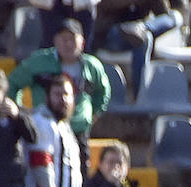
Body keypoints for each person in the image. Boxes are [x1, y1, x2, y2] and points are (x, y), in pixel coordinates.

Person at [6, 19, 112, 173]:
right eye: (63, 39)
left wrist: (92, 116)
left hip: (78, 130)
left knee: (78, 175)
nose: (68, 44)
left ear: (82, 42)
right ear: (55, 41)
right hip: (44, 129)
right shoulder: (39, 62)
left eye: (72, 39)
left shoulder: (91, 66)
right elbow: (13, 83)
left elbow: (103, 93)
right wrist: (20, 113)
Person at [24, 73, 83, 187]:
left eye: (67, 95)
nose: (63, 99)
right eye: (57, 94)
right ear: (47, 97)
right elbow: (41, 162)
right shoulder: (42, 121)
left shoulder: (64, 127)